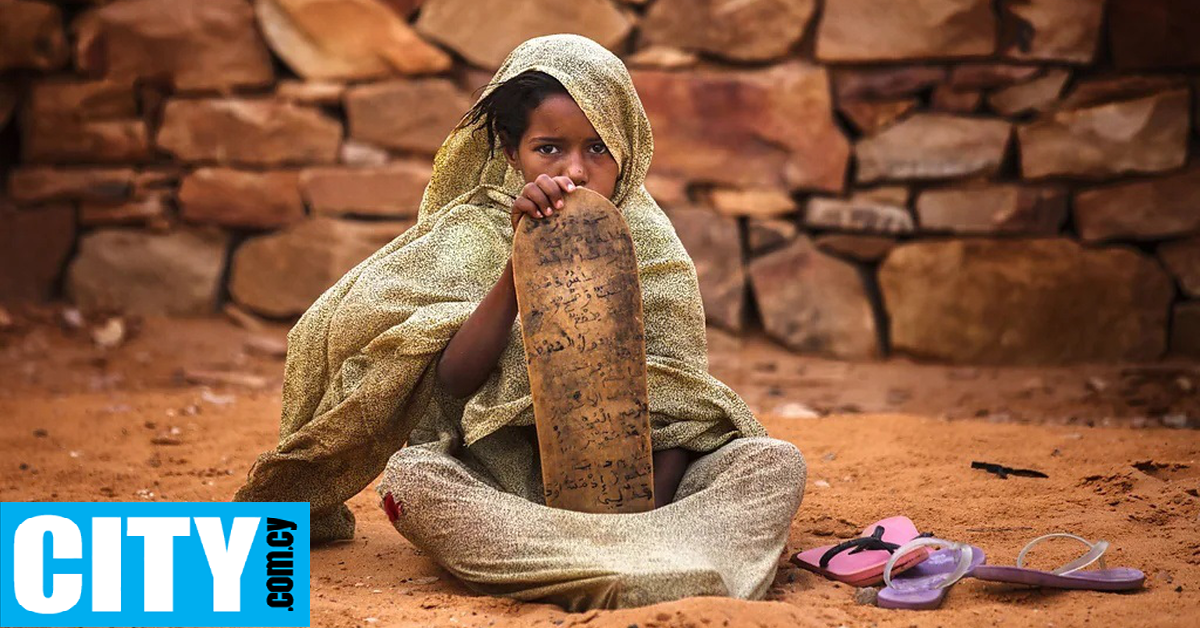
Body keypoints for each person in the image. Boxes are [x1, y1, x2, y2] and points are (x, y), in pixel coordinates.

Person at [235, 33, 806, 611]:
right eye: (550, 149)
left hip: (651, 497)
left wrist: (636, 516)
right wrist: (523, 261)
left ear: (627, 149)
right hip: (509, 489)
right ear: (513, 153)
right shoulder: (473, 233)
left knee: (771, 462)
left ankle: (614, 563)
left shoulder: (653, 247)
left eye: (598, 149)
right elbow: (454, 381)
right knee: (414, 479)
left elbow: (682, 411)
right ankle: (658, 570)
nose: (576, 170)